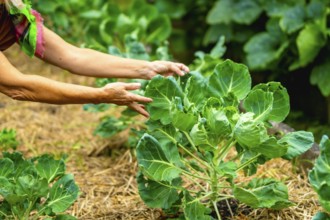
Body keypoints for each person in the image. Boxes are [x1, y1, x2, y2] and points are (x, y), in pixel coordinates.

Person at [0, 0, 189, 118]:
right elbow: (18, 86)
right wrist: (101, 95)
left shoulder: (12, 8)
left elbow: (71, 55)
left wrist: (145, 68)